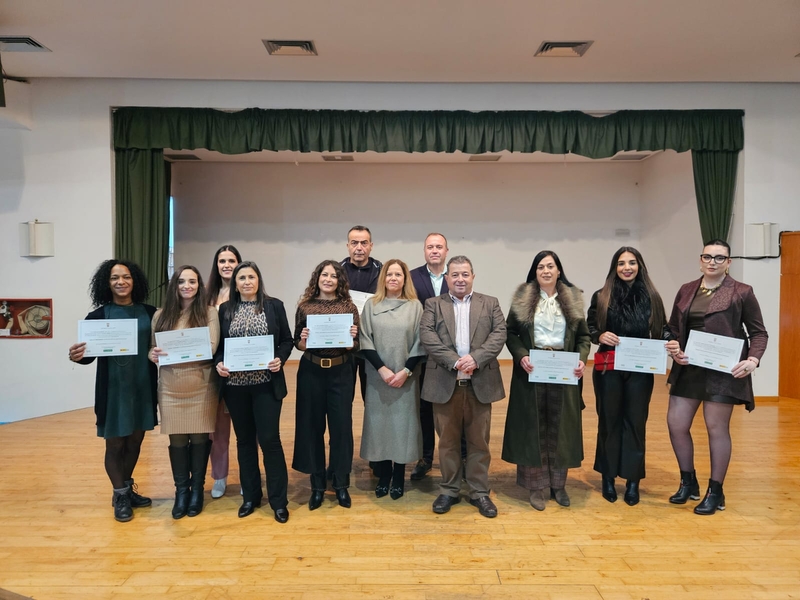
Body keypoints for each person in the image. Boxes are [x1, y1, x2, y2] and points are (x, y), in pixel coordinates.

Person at [665, 239, 768, 515]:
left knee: (716, 428)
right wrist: (673, 345)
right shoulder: (686, 290)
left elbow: (759, 332)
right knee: (676, 424)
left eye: (719, 258)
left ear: (729, 262)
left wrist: (752, 360)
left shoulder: (742, 292)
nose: (713, 262)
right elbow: (671, 328)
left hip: (724, 369)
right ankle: (688, 482)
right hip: (688, 366)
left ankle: (716, 491)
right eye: (708, 256)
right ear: (700, 260)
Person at [68, 260, 157, 523]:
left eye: (126, 277)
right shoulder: (97, 317)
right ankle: (119, 495)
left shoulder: (150, 313)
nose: (121, 282)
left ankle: (126, 489)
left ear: (135, 281)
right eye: (115, 278)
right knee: (115, 443)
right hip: (113, 391)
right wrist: (76, 356)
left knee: (135, 442)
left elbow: (161, 345)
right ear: (106, 283)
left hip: (143, 387)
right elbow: (88, 357)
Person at [501, 251, 591, 511]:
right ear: (535, 271)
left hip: (564, 369)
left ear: (559, 270)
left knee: (560, 427)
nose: (546, 271)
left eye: (550, 266)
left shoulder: (573, 299)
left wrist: (582, 359)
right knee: (534, 426)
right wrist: (521, 355)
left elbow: (584, 337)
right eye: (540, 267)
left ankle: (558, 485)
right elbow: (510, 333)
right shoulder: (522, 298)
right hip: (532, 369)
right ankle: (537, 486)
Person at [419, 256, 506, 518]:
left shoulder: (490, 303)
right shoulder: (433, 304)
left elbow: (499, 334)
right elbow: (428, 337)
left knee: (479, 441)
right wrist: (455, 361)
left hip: (480, 381)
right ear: (447, 278)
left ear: (473, 276)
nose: (460, 279)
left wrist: (476, 359)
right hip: (445, 381)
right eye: (455, 275)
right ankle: (449, 489)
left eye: (465, 274)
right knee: (447, 441)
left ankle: (480, 492)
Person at [587, 247, 670, 506]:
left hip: (641, 369)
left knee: (635, 423)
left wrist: (670, 341)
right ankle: (608, 478)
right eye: (621, 263)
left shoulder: (653, 297)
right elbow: (589, 326)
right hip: (607, 366)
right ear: (615, 267)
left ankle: (633, 481)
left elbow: (663, 329)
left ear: (640, 266)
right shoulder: (601, 296)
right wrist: (599, 335)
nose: (627, 267)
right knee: (609, 422)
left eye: (632, 263)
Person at [214, 261, 293, 522]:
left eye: (251, 276)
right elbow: (218, 346)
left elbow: (286, 340)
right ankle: (250, 496)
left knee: (270, 440)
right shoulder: (224, 310)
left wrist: (280, 358)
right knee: (245, 441)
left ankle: (278, 501)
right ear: (234, 283)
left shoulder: (274, 306)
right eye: (241, 278)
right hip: (235, 387)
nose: (246, 281)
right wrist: (220, 363)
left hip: (266, 385)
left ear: (258, 280)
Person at [149, 266, 220, 519]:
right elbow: (153, 350)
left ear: (200, 285)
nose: (187, 286)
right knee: (177, 441)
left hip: (201, 385)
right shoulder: (160, 316)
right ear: (174, 285)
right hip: (170, 387)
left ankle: (197, 491)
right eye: (181, 281)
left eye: (192, 281)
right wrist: (153, 354)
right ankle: (181, 491)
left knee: (200, 439)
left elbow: (211, 347)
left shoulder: (209, 312)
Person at [292, 260, 360, 510]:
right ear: (317, 278)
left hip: (341, 372)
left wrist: (351, 339)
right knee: (312, 428)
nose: (328, 279)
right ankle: (317, 486)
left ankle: (341, 485)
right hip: (311, 371)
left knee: (341, 430)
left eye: (333, 276)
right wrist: (303, 340)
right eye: (324, 275)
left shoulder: (349, 307)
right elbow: (297, 343)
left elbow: (357, 345)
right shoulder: (305, 307)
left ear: (339, 281)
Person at [360, 259, 427, 500]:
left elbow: (421, 342)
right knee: (380, 426)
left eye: (398, 274)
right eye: (390, 274)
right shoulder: (371, 305)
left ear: (405, 279)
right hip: (379, 378)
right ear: (383, 278)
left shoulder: (415, 306)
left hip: (405, 378)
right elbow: (365, 339)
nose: (394, 278)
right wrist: (382, 370)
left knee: (403, 427)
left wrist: (405, 372)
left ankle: (399, 475)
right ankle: (384, 475)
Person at [409, 233, 450, 481]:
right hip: (422, 354)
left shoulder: (456, 275)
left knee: (451, 408)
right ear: (424, 251)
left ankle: (458, 457)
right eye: (430, 247)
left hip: (450, 355)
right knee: (423, 408)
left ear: (446, 250)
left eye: (439, 247)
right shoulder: (413, 277)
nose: (434, 251)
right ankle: (425, 458)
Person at [206, 244, 242, 499]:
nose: (227, 265)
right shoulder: (206, 296)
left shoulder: (249, 293)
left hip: (241, 370)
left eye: (231, 260)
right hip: (212, 371)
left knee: (244, 429)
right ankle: (219, 477)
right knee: (217, 431)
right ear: (216, 265)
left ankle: (246, 476)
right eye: (222, 261)